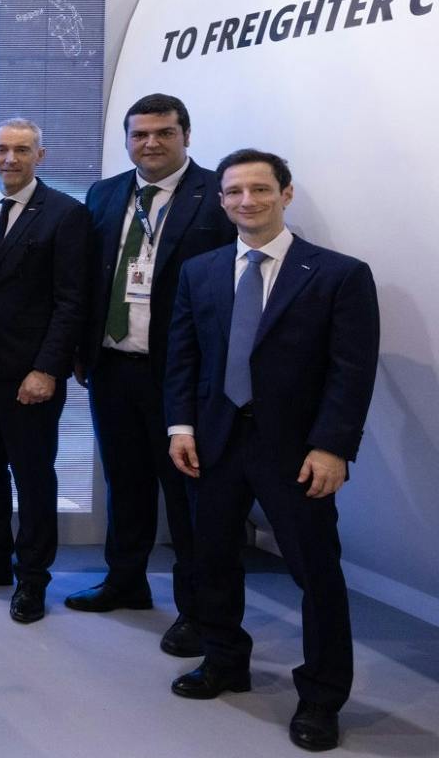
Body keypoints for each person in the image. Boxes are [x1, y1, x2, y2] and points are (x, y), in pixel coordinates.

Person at [164, 149, 378, 753]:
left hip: (296, 453)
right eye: (233, 192)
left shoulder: (338, 274)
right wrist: (180, 427)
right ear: (222, 200)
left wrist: (333, 448)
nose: (246, 201)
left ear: (286, 194)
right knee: (213, 564)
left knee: (316, 574)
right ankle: (225, 661)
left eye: (260, 189)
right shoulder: (201, 271)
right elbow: (183, 357)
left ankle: (320, 696)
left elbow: (350, 372)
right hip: (214, 444)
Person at [65, 94, 233, 657]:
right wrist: (80, 351)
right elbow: (90, 277)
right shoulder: (107, 193)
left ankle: (196, 608)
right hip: (113, 364)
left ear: (186, 134)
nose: (151, 144)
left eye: (164, 133)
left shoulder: (217, 196)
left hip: (180, 374)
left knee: (186, 494)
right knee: (125, 481)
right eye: (140, 135)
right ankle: (125, 580)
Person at [0, 119, 90, 624]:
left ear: (40, 155)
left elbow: (72, 302)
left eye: (21, 150)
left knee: (32, 477)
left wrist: (47, 368)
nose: (10, 159)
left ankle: (32, 579)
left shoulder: (66, 214)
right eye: (1, 149)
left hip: (30, 374)